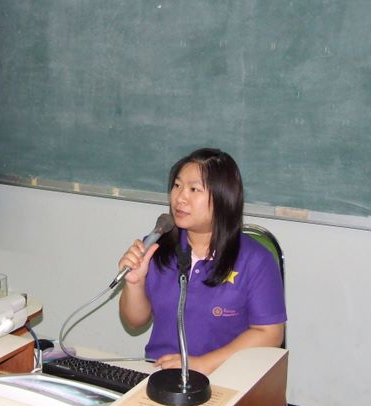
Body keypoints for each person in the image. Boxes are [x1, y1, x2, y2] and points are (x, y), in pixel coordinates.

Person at [118, 148, 287, 375]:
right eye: (177, 185)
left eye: (193, 189)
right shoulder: (159, 247)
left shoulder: (255, 259)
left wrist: (202, 364)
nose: (180, 198)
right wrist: (135, 283)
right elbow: (135, 321)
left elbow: (270, 334)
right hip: (160, 375)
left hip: (226, 379)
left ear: (223, 198)